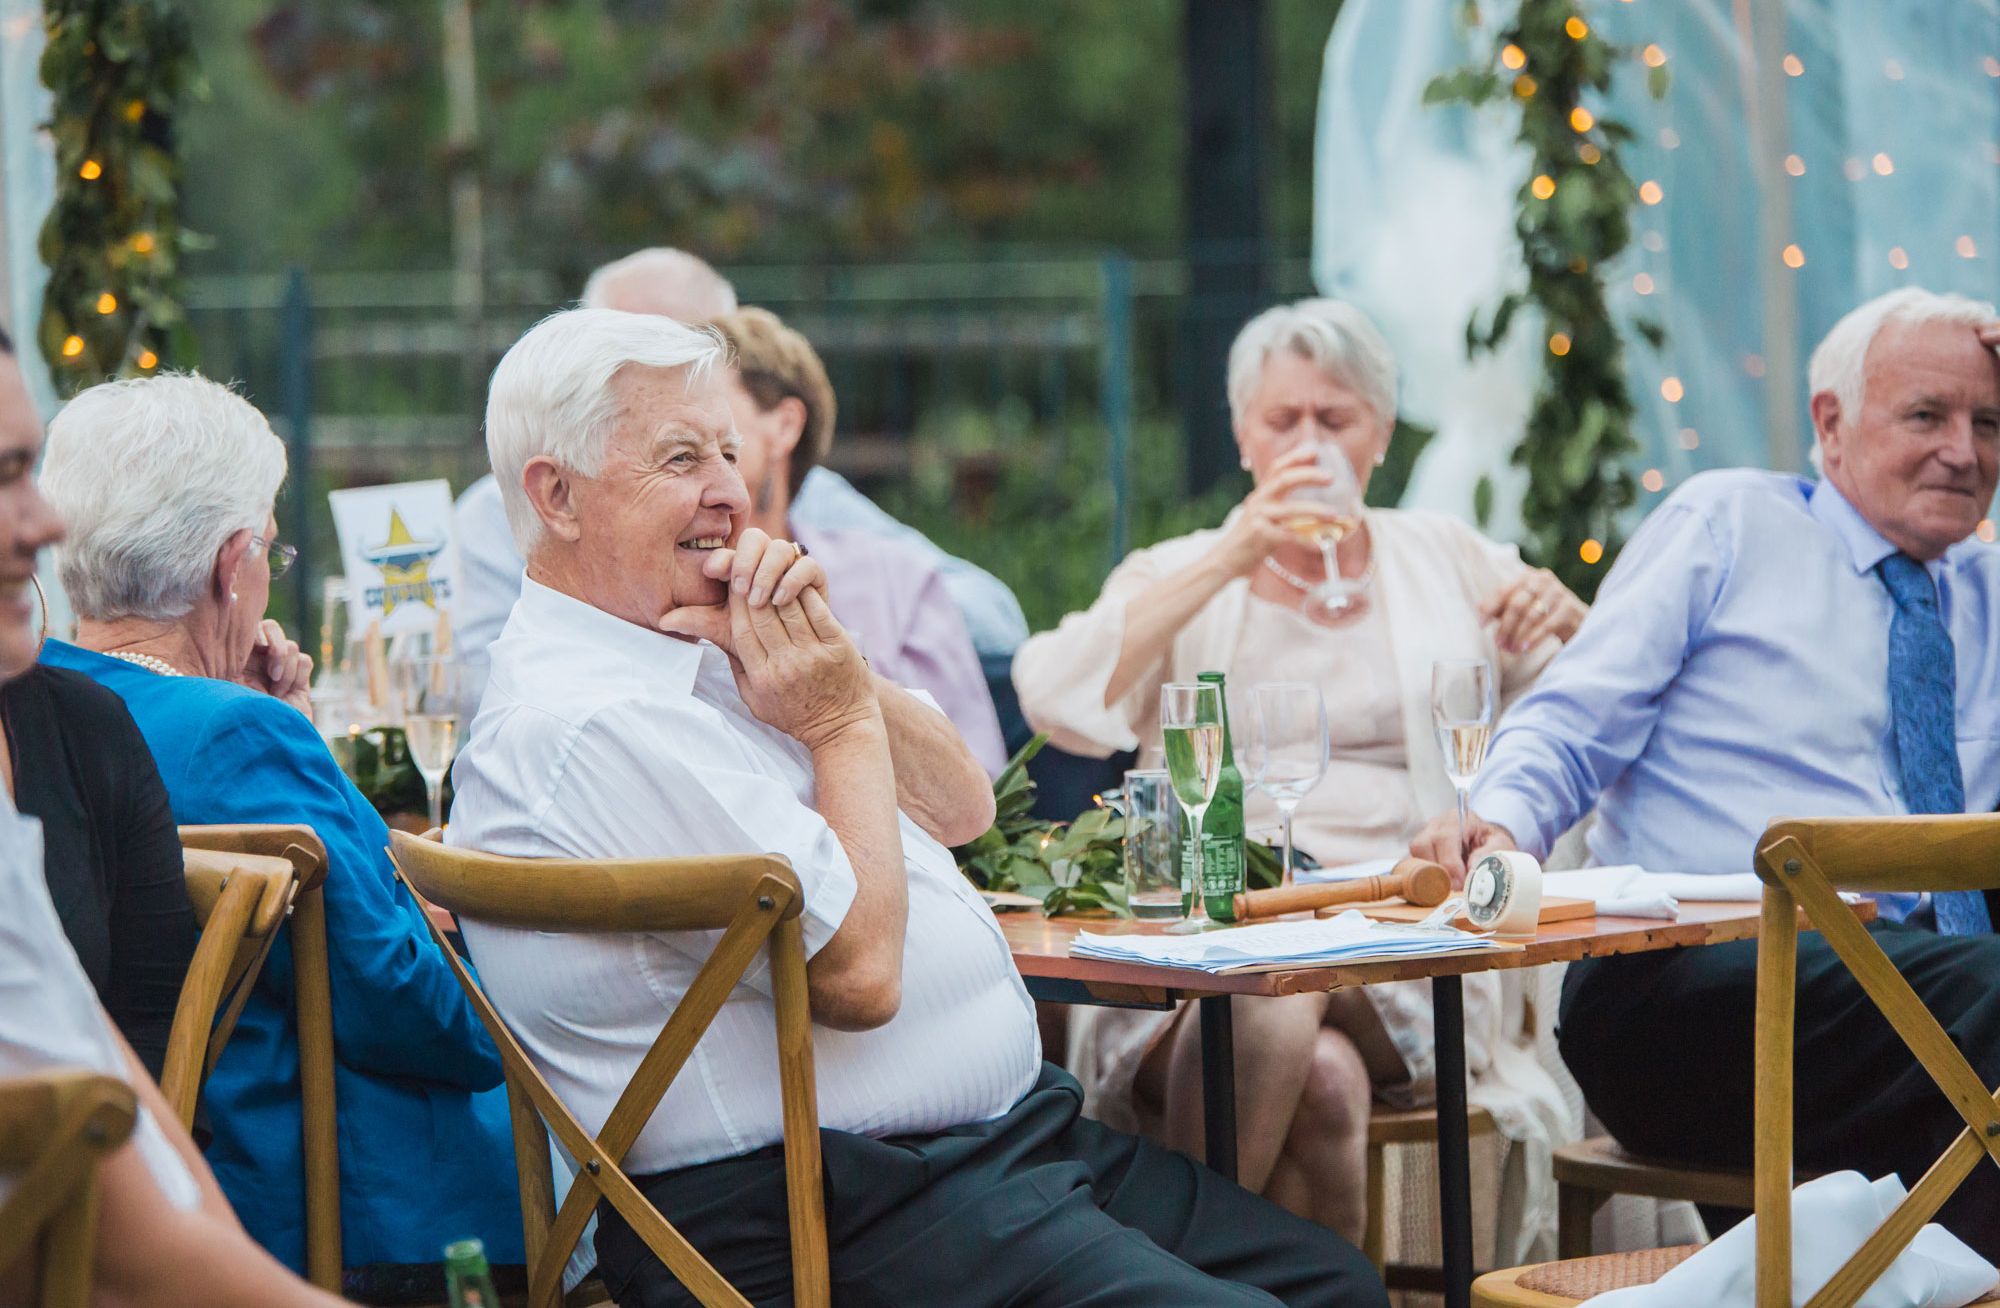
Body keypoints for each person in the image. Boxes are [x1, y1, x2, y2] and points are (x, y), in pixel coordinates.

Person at [448, 307, 1388, 1308]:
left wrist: (835, 668)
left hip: (993, 1151)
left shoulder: (688, 642)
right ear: (558, 494)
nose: (732, 489)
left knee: (1333, 1284)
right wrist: (838, 722)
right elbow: (856, 976)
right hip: (825, 1210)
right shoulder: (585, 720)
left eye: (729, 449)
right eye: (681, 458)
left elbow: (962, 806)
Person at [1409, 287, 2000, 1257]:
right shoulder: (1730, 524)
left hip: (1924, 996)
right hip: (1690, 991)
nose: (1962, 451)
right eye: (1925, 415)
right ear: (1830, 423)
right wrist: (1500, 825)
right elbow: (1569, 720)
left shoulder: (1983, 590)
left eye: (1987, 421)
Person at [1012, 298, 1580, 1247]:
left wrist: (1566, 617)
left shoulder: (1444, 555)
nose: (1308, 442)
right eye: (1283, 420)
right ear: (1243, 434)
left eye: (1335, 417)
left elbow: (1587, 710)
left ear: (1381, 436)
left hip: (1411, 929)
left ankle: (1171, 1271)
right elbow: (1055, 698)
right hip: (1208, 937)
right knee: (1316, 1074)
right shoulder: (1185, 565)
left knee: (1284, 982)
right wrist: (1236, 550)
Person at [35, 374, 524, 1289]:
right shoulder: (241, 736)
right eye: (270, 547)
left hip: (113, 1191)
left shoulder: (35, 711)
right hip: (329, 1222)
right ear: (232, 564)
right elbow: (432, 1015)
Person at [0, 335, 341, 1308]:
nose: (46, 522)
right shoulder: (230, 733)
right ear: (236, 564)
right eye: (5, 477)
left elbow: (120, 1080)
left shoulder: (65, 719)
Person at [453, 246, 1030, 716]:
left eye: (727, 451)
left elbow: (991, 615)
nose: (730, 496)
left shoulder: (822, 511)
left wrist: (827, 644)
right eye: (622, 353)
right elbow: (476, 693)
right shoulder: (498, 523)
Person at [711, 305, 1008, 774]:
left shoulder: (896, 580)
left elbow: (982, 775)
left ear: (784, 425)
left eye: (713, 408)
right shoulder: (657, 582)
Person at [6, 657, 199, 1084]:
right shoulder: (230, 725)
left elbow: (150, 1019)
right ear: (226, 585)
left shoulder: (84, 717)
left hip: (93, 1128)